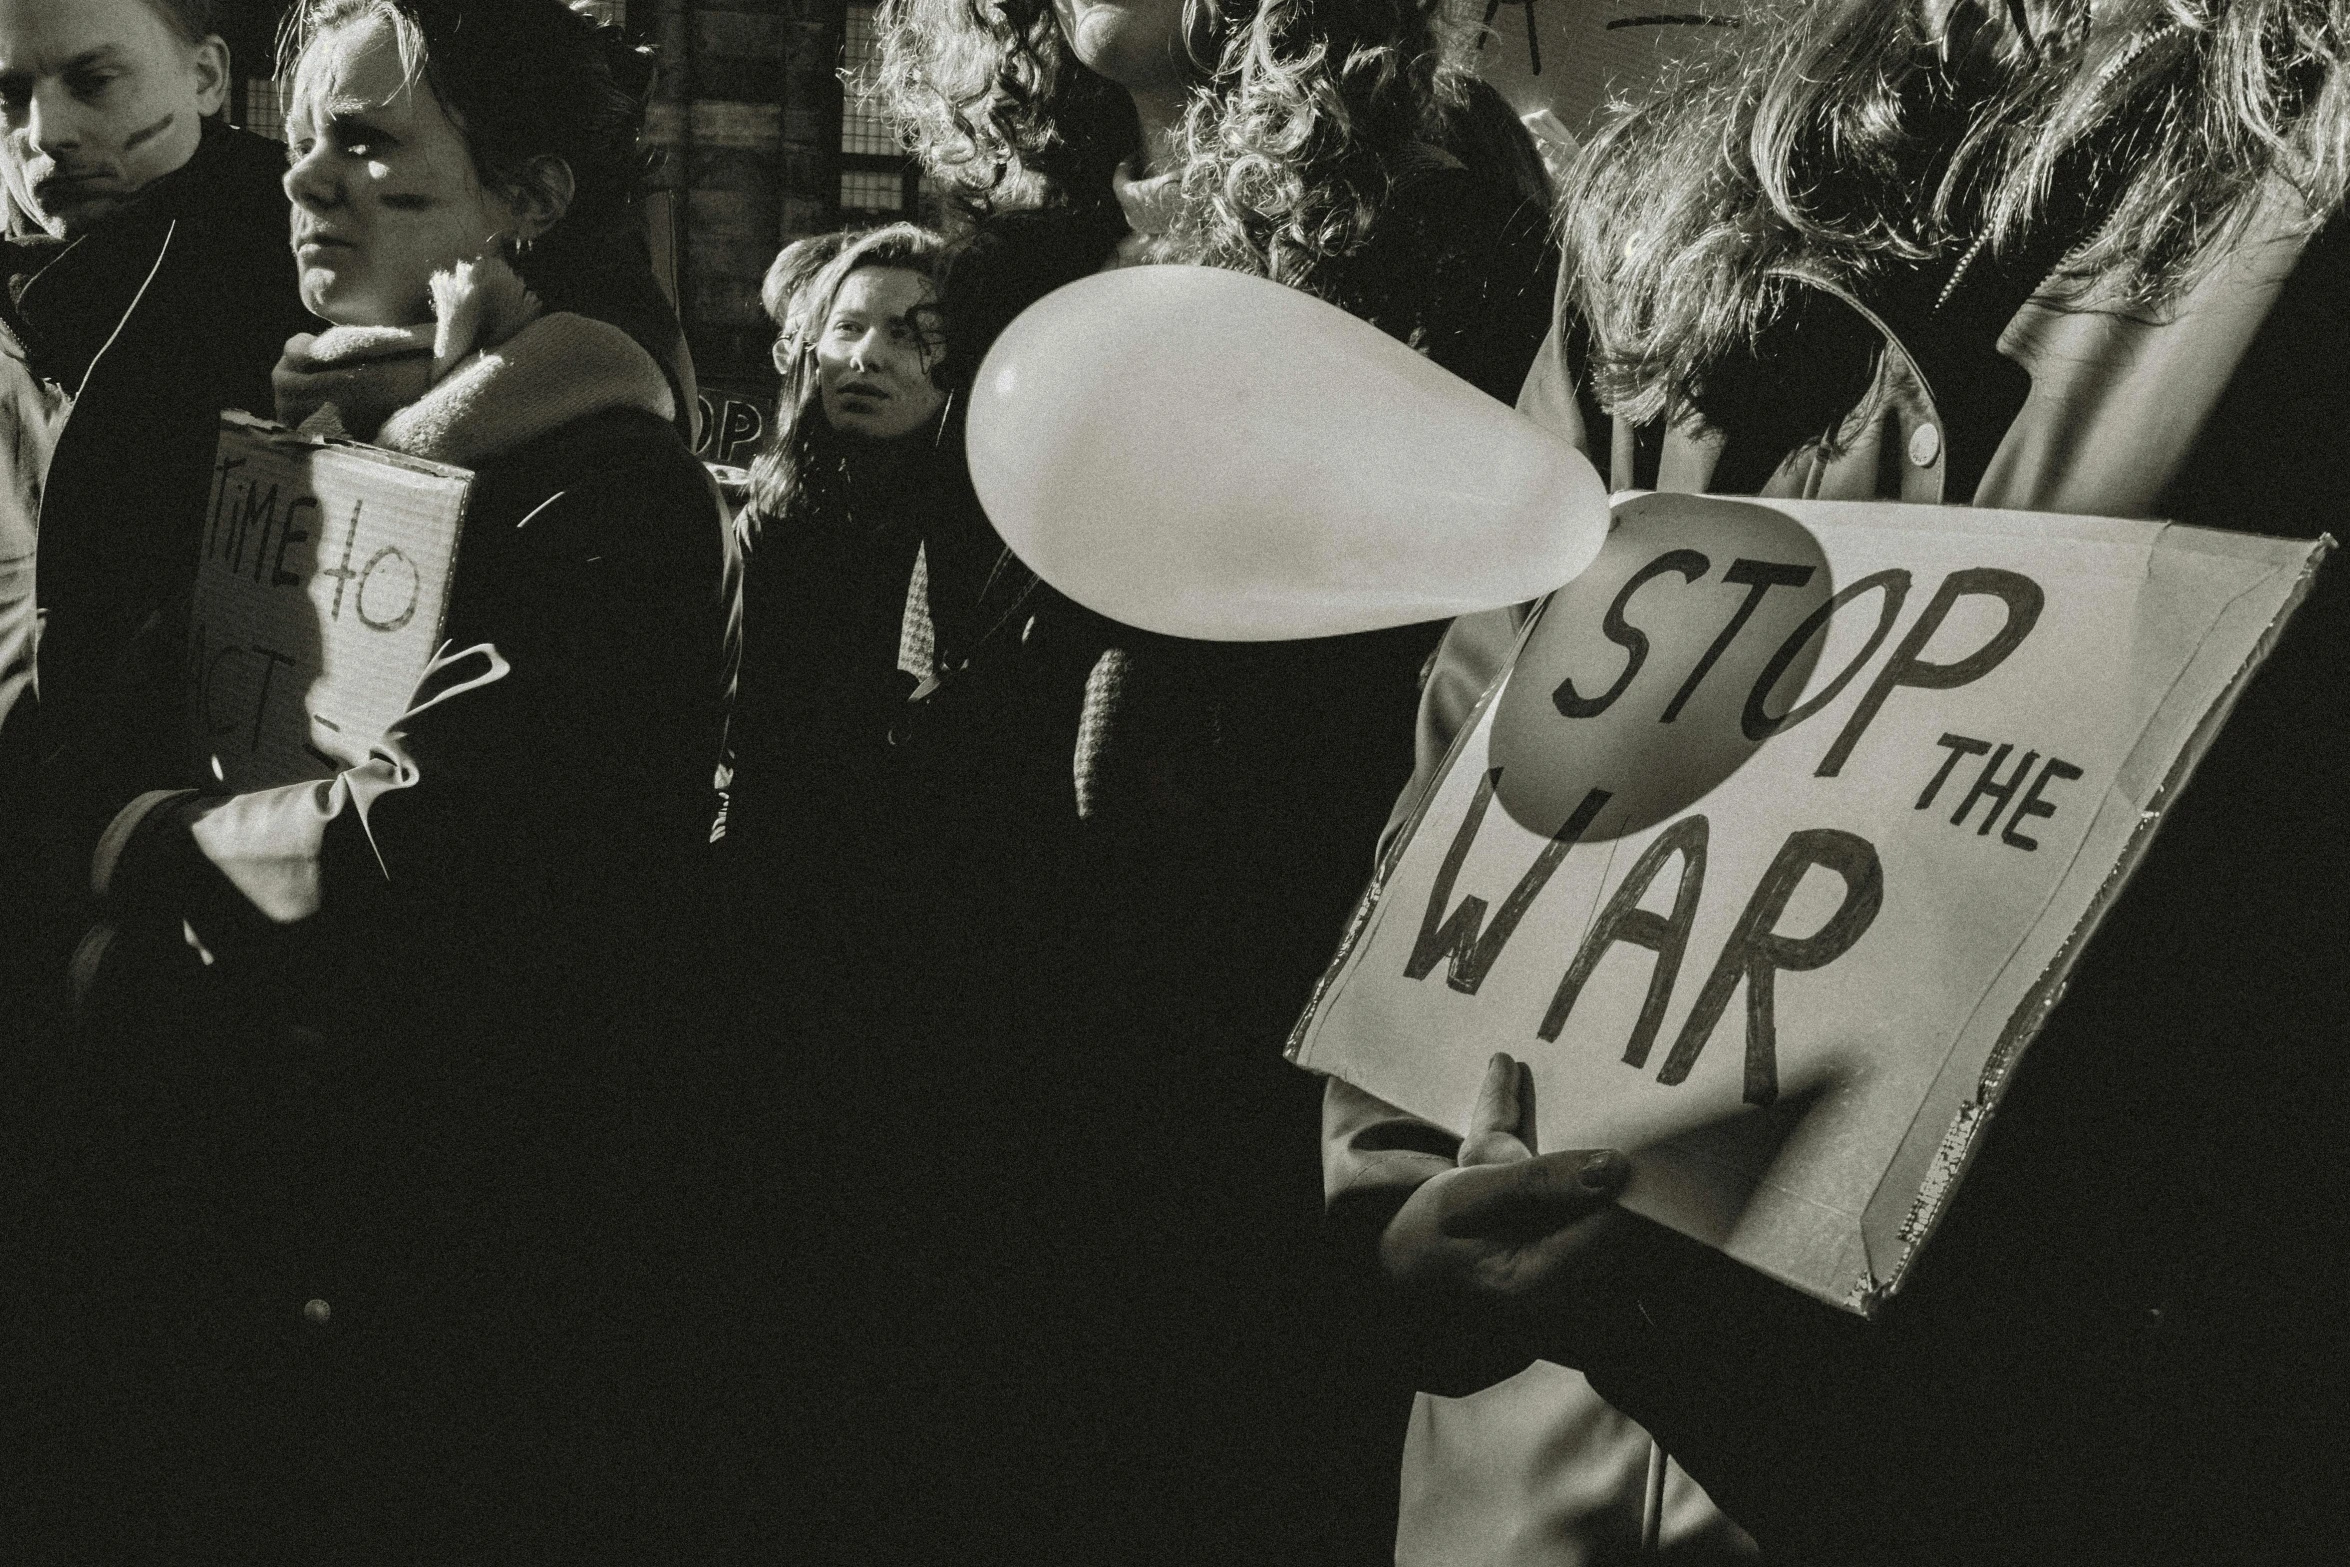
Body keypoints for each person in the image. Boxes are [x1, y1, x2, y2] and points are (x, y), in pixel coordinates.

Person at [1327, 1, 2350, 1562]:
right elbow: (1490, 731)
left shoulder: (2308, 175)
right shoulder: (1666, 198)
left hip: (2076, 1454)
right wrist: (1404, 1196)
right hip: (1553, 1467)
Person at [746, 3, 1559, 1562]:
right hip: (981, 1095)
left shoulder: (1436, 230)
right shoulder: (1021, 254)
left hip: (1245, 1109)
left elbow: (1471, 691)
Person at [10, 0, 740, 1555]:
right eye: (305, 138)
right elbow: (128, 721)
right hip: (251, 1242)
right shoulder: (303, 437)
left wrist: (140, 846)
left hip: (464, 1276)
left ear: (530, 198)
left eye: (369, 142)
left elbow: (433, 839)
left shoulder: (612, 492)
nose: (306, 180)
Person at [0, 0, 311, 1037]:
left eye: (96, 82)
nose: (44, 131)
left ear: (210, 79)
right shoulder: (31, 307)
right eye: (7, 96)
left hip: (195, 958)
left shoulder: (305, 282)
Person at [724, 222, 949, 920]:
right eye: (847, 327)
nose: (865, 357)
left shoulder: (975, 537)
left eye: (907, 333)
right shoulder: (769, 517)